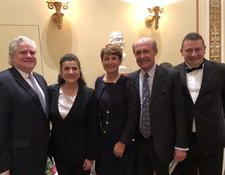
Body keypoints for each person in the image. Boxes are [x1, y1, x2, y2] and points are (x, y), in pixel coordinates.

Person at [129, 37, 188, 175]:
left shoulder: (172, 76)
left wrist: (181, 146)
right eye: (138, 53)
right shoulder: (130, 79)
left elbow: (180, 113)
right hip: (138, 143)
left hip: (164, 144)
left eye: (146, 51)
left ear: (155, 51)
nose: (142, 56)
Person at [0, 36, 49, 175]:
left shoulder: (40, 80)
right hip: (18, 161)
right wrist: (2, 168)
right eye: (23, 52)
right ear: (12, 57)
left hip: (40, 156)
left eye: (32, 53)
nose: (29, 56)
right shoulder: (1, 81)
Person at [174, 32, 225, 175]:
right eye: (188, 50)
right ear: (181, 52)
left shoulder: (221, 70)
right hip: (183, 142)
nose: (194, 54)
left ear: (205, 49)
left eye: (198, 49)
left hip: (212, 140)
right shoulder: (171, 73)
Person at [48, 53, 97, 175]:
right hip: (59, 153)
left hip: (81, 155)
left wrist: (90, 156)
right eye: (66, 68)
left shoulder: (89, 94)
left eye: (74, 68)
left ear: (79, 71)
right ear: (61, 71)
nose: (71, 72)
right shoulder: (51, 91)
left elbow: (93, 127)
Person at [95, 44, 139, 175]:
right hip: (103, 142)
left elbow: (133, 115)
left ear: (120, 61)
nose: (110, 62)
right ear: (102, 61)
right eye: (106, 58)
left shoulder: (128, 83)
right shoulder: (98, 81)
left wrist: (123, 141)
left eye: (114, 58)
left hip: (121, 142)